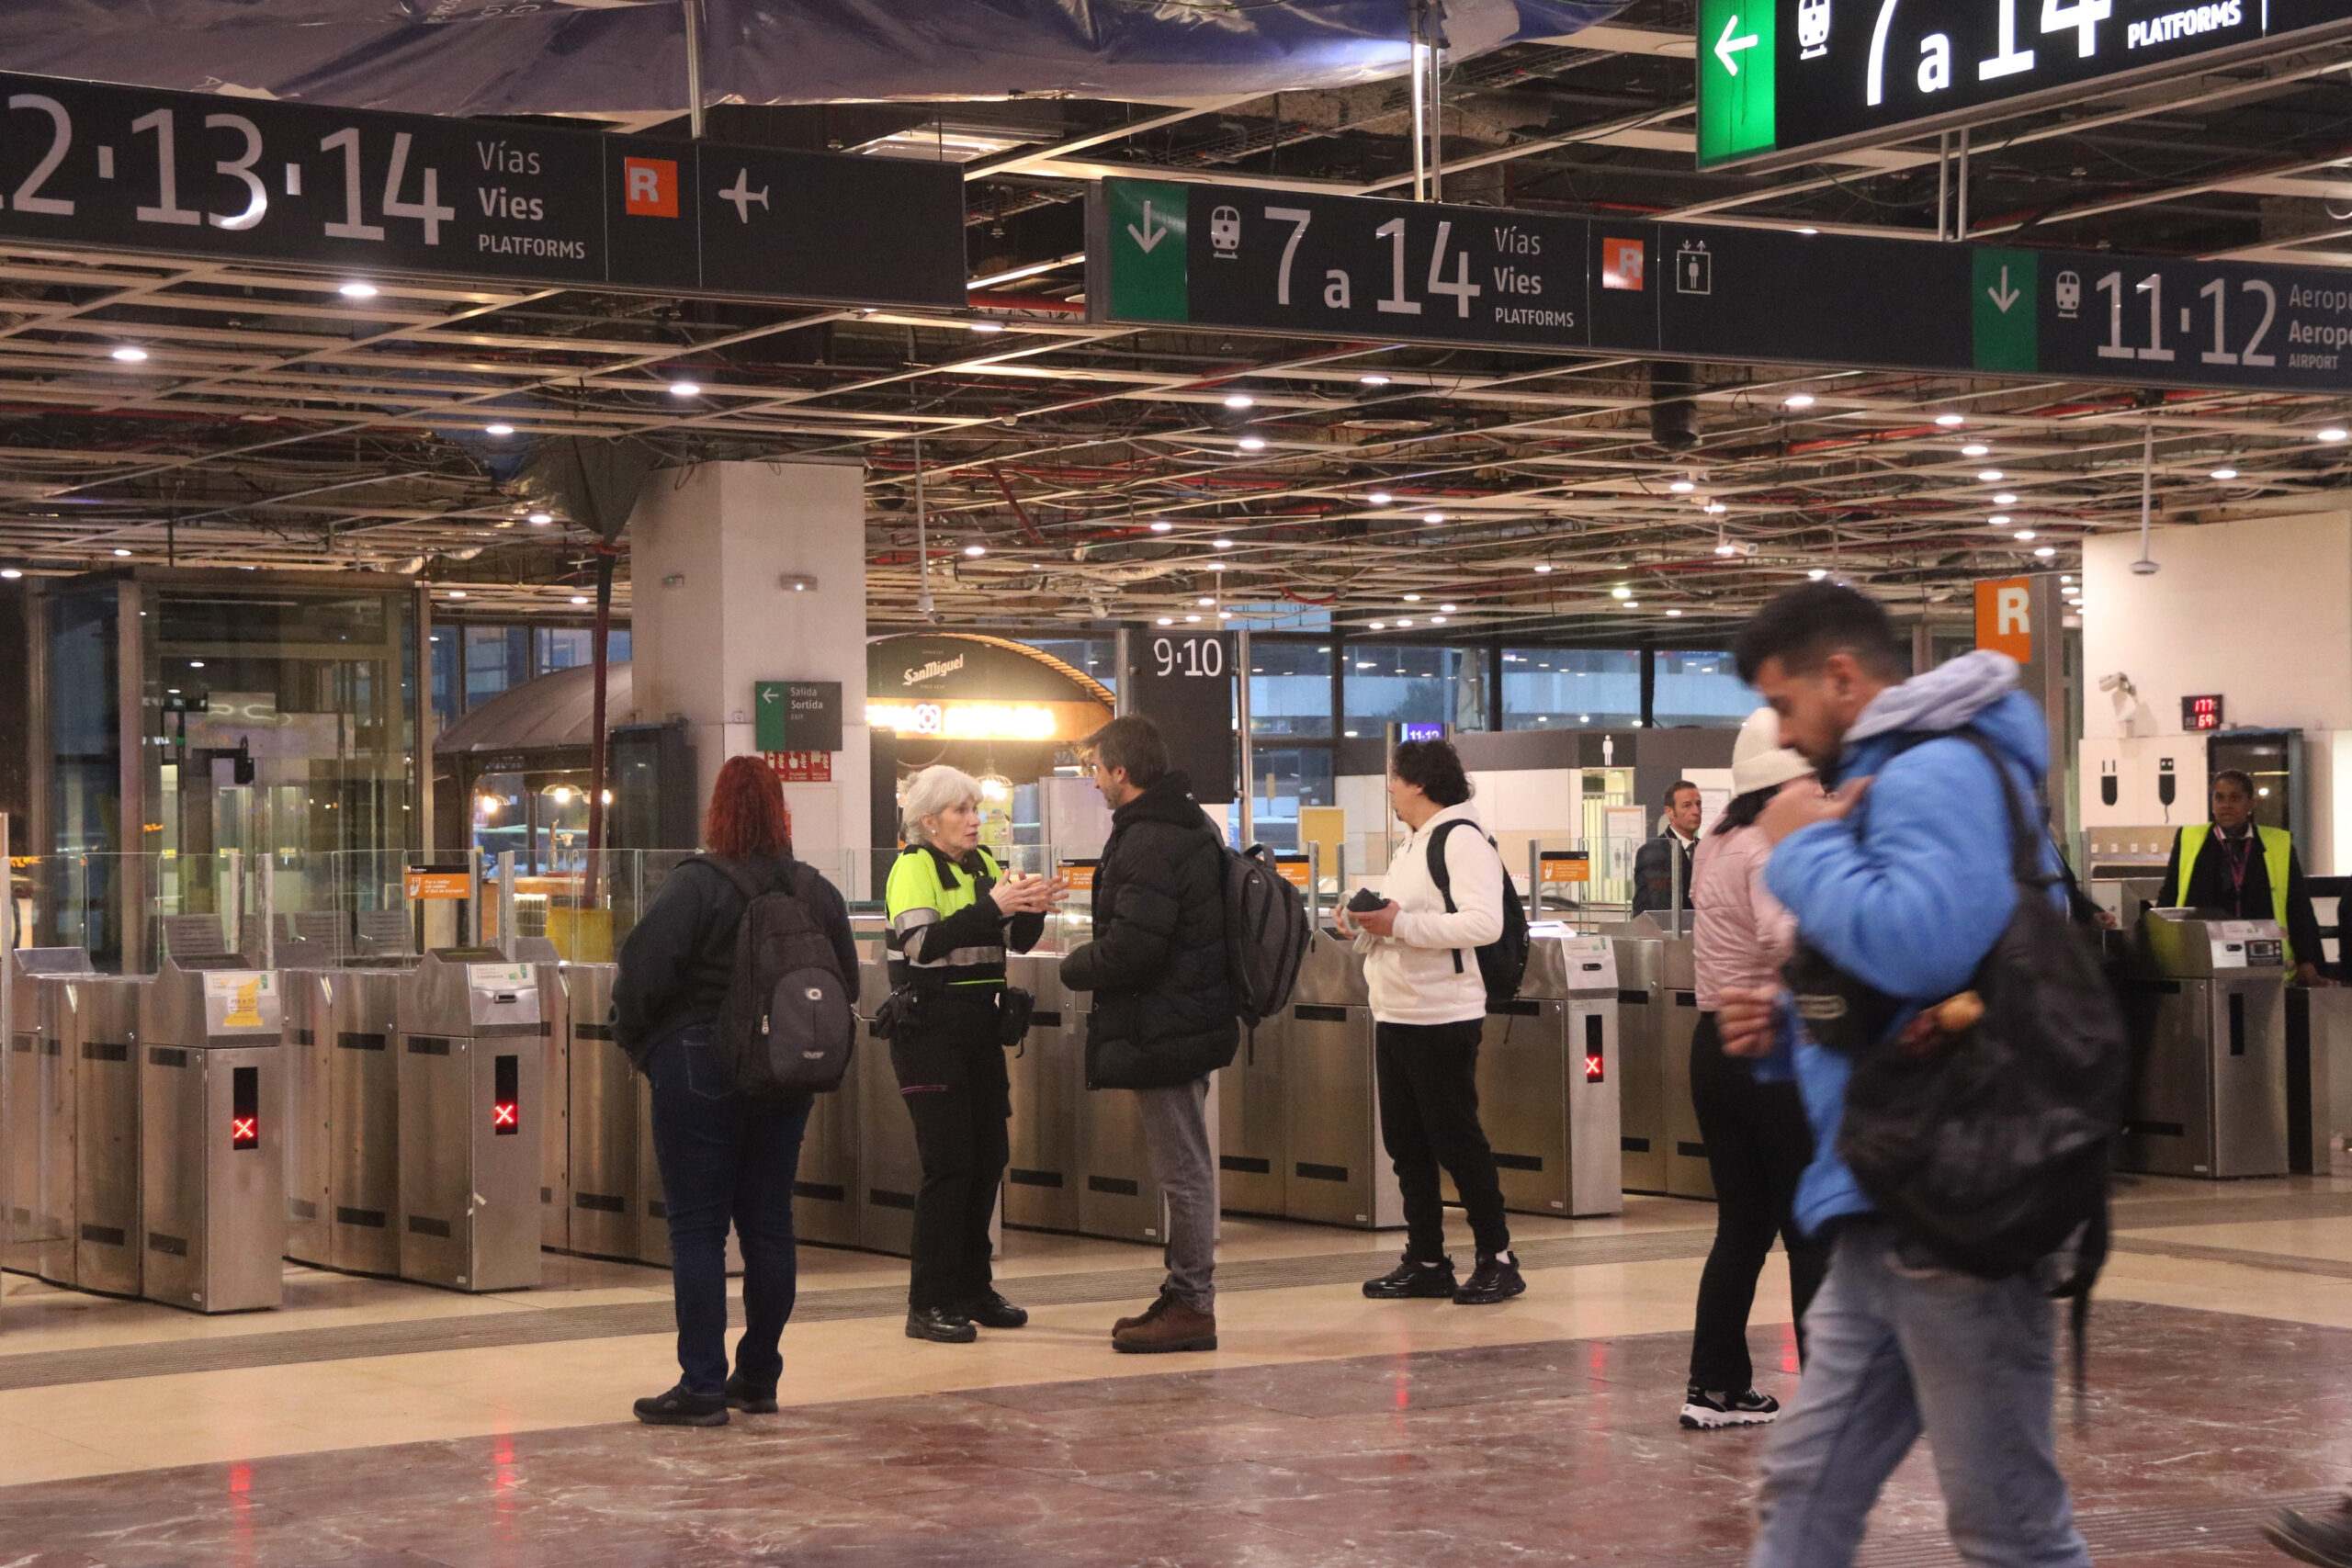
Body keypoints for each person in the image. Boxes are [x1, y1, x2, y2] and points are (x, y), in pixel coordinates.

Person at [1715, 582, 2093, 1568]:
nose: (1783, 735)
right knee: (1803, 1483)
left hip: (1959, 1203)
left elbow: (1924, 943)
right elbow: (1919, 987)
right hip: (1886, 1195)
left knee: (2009, 1527)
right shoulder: (1896, 776)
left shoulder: (1935, 772)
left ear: (1841, 677)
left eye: (1784, 704)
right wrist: (1793, 1025)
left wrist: (1801, 848)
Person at [612, 754, 859, 1427]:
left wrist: (642, 1044)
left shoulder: (695, 884)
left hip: (697, 1066)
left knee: (698, 1229)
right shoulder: (816, 890)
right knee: (769, 1223)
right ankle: (758, 1375)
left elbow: (641, 975)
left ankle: (700, 1385)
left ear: (716, 812)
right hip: (784, 1070)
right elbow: (846, 983)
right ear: (782, 812)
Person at [1058, 715, 1236, 1353]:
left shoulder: (1151, 838)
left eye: (1096, 770)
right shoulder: (1186, 823)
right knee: (1184, 1164)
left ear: (1122, 771)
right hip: (1184, 1018)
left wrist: (1074, 964)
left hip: (1165, 1025)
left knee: (1183, 1169)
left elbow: (1134, 946)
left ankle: (1192, 1303)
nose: (1094, 782)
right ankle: (1182, 1292)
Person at [1679, 708, 1832, 1430]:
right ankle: (1831, 1395)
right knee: (1809, 1227)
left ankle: (1713, 1385)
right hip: (1771, 1043)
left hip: (1713, 1043)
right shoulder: (1771, 848)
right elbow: (1786, 937)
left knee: (1740, 1227)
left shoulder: (1714, 838)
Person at [1341, 737, 1523, 1307]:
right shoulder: (1412, 842)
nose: (1390, 790)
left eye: (1394, 779)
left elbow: (1484, 924)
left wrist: (1400, 926)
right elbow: (1407, 916)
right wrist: (1366, 921)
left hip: (1443, 1014)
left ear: (1418, 783)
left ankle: (1498, 1258)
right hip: (1397, 1010)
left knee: (1456, 1140)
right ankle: (1426, 1260)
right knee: (1407, 1144)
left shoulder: (1461, 838)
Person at [884, 764, 1061, 1344]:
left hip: (980, 1028)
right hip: (929, 1032)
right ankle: (928, 1301)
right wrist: (994, 906)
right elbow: (922, 944)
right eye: (961, 810)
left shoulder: (985, 865)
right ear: (929, 821)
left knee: (988, 1158)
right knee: (949, 1163)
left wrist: (1031, 908)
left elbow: (1012, 941)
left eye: (975, 809)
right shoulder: (912, 868)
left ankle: (972, 1288)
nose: (973, 820)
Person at [2159, 768, 2333, 986]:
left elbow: (2298, 905)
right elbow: (2170, 894)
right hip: (2204, 956)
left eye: (2235, 798)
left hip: (2263, 957)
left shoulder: (2277, 843)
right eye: (2219, 798)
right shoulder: (2189, 839)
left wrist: (2307, 960)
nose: (2226, 805)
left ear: (2250, 804)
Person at [1632, 779, 1703, 918]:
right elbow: (1659, 906)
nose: (1696, 811)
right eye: (1687, 805)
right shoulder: (1653, 853)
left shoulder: (1706, 849)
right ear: (1670, 812)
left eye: (1698, 804)